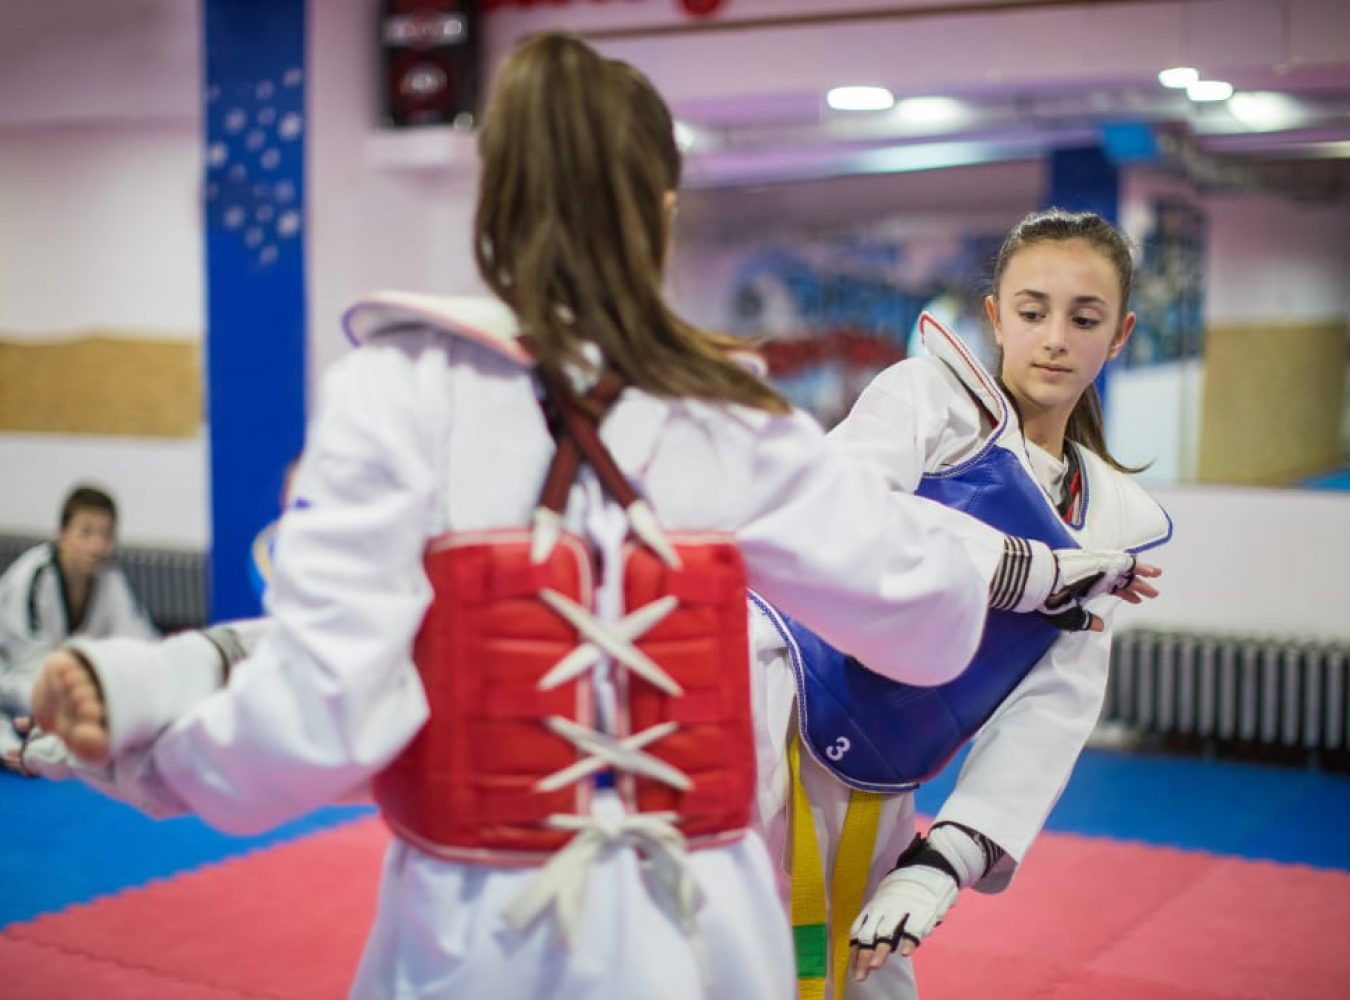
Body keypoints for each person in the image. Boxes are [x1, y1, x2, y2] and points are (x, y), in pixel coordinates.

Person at [29, 39, 1139, 1000]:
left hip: (477, 931)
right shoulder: (733, 421)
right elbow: (929, 626)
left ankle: (170, 676)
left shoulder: (396, 390)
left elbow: (324, 718)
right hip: (701, 929)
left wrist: (145, 759)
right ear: (662, 208)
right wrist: (1034, 576)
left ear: (492, 196)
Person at [751, 208, 1170, 1000]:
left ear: (1119, 335)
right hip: (768, 698)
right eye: (1032, 311)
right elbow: (836, 509)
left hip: (882, 761)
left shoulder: (1112, 523)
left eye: (1085, 319)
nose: (1055, 338)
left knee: (870, 976)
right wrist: (1027, 572)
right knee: (720, 950)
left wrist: (947, 860)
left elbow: (1054, 703)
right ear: (995, 318)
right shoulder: (928, 399)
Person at [0, 484, 157, 753]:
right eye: (86, 533)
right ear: (61, 534)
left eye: (106, 535)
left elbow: (142, 645)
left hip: (64, 688)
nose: (97, 546)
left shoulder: (110, 580)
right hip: (14, 678)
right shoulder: (32, 578)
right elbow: (27, 667)